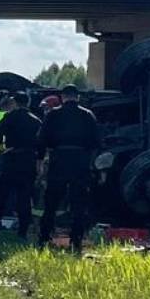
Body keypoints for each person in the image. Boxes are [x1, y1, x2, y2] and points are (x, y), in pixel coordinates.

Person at [37, 84, 101, 249]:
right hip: (80, 161)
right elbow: (96, 142)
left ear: (62, 97)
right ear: (77, 97)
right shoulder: (87, 115)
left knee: (51, 201)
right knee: (78, 202)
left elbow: (42, 139)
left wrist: (40, 160)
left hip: (58, 159)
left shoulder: (53, 114)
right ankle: (76, 239)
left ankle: (44, 237)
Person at [0, 91, 41, 241]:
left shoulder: (10, 117)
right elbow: (41, 142)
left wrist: (2, 148)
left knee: (0, 196)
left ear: (15, 102)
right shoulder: (35, 121)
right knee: (24, 198)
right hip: (28, 160)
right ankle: (22, 232)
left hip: (10, 159)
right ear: (27, 103)